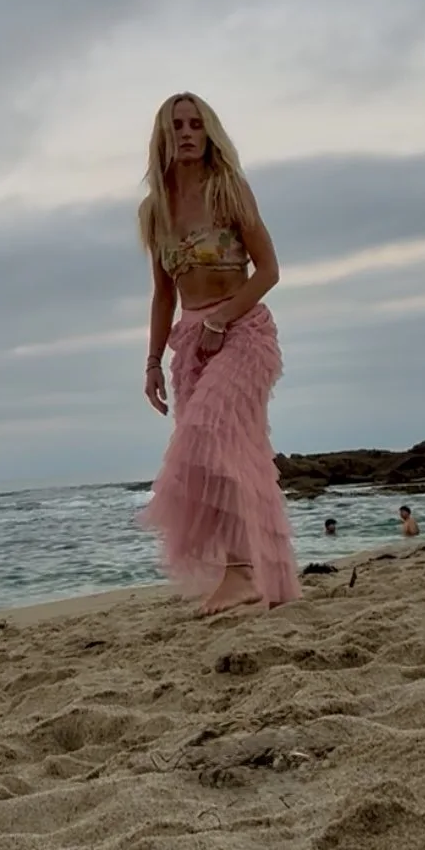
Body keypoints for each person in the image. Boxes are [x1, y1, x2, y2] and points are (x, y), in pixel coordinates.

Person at [136, 92, 300, 615]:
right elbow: (163, 294)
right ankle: (253, 574)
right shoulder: (155, 209)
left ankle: (240, 574)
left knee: (209, 434)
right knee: (236, 456)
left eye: (195, 125)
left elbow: (270, 270)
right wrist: (152, 361)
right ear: (163, 137)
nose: (186, 133)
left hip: (244, 330)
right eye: (176, 126)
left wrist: (222, 319)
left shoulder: (230, 190)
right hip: (189, 343)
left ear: (209, 134)